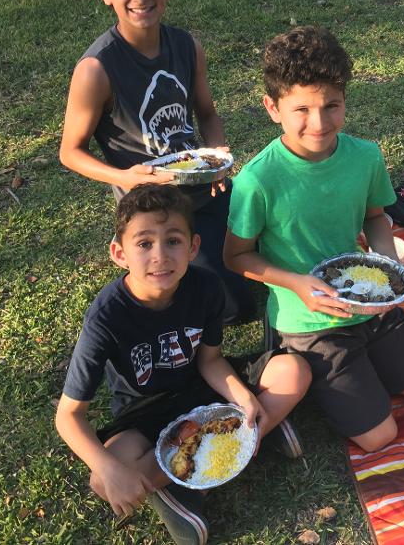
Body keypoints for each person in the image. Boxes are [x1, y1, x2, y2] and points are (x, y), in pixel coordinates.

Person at [223, 26, 404, 453]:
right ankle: (298, 385)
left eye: (332, 106)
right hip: (310, 318)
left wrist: (388, 265)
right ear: (273, 108)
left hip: (366, 298)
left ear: (345, 99)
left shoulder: (365, 156)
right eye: (301, 109)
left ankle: (363, 368)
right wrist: (296, 283)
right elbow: (236, 257)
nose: (320, 123)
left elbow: (375, 218)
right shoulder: (258, 180)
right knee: (380, 436)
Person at [55, 185, 311, 545]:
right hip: (144, 411)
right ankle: (238, 442)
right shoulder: (106, 317)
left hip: (203, 390)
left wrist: (243, 397)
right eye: (144, 243)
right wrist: (110, 469)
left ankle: (239, 435)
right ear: (119, 253)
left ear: (193, 247)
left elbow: (210, 360)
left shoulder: (206, 286)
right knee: (103, 478)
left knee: (294, 371)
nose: (160, 256)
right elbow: (68, 416)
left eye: (173, 241)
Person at [59, 0, 255, 326]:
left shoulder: (186, 46)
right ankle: (153, 250)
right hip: (153, 206)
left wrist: (218, 156)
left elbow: (207, 113)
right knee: (232, 306)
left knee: (273, 242)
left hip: (204, 187)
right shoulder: (96, 69)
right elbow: (70, 152)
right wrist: (125, 178)